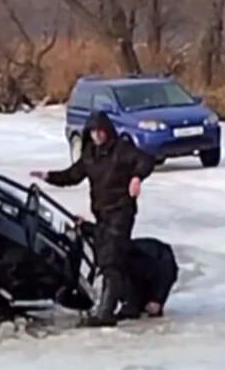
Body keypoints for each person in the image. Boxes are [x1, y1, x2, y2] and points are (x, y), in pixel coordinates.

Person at [30, 111, 155, 327]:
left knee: (110, 261)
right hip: (102, 214)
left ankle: (105, 313)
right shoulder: (90, 155)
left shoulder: (121, 150)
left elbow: (145, 161)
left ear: (107, 131)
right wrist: (49, 176)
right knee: (115, 258)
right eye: (93, 132)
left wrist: (136, 178)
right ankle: (132, 303)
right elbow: (72, 175)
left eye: (100, 132)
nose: (97, 136)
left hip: (121, 211)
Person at [80, 222, 179, 319]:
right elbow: (105, 234)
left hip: (155, 264)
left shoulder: (126, 260)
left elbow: (167, 271)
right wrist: (84, 226)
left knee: (136, 307)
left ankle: (138, 305)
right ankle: (134, 305)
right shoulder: (114, 254)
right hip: (136, 266)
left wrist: (157, 298)